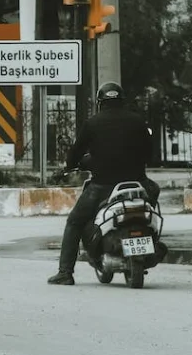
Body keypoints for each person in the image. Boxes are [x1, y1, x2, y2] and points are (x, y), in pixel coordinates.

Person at [47, 82, 161, 285]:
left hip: (102, 186)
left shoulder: (93, 123)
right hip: (138, 183)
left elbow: (76, 152)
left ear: (101, 103)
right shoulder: (137, 121)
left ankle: (65, 272)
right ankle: (153, 240)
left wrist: (72, 164)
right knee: (153, 201)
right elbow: (150, 153)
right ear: (122, 101)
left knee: (74, 222)